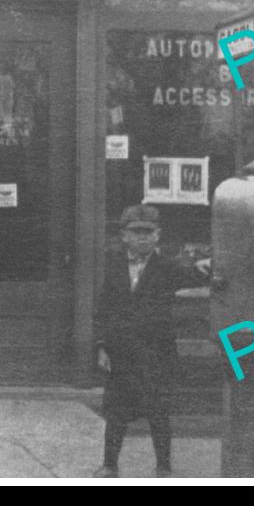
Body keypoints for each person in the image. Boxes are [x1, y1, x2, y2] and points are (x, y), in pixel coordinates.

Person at [92, 205, 208, 479]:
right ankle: (110, 464)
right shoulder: (114, 266)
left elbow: (195, 274)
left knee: (159, 411)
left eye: (148, 232)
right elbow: (103, 309)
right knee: (116, 412)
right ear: (124, 236)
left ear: (158, 236)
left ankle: (163, 467)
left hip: (156, 351)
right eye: (136, 232)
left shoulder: (168, 267)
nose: (142, 238)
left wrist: (207, 268)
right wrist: (101, 346)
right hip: (120, 352)